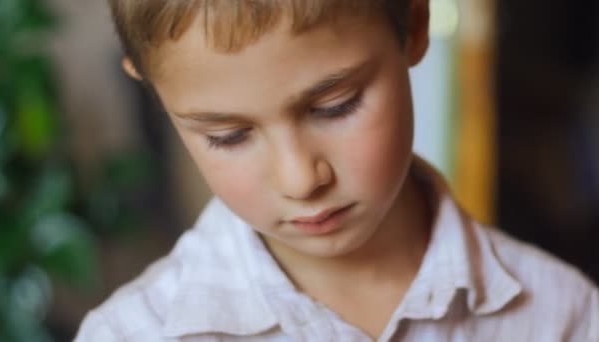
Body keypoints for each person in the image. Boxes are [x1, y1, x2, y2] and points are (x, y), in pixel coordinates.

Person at [76, 0, 599, 340]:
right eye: (228, 136)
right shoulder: (132, 333)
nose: (300, 179)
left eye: (336, 106)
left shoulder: (564, 316)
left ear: (414, 27)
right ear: (154, 89)